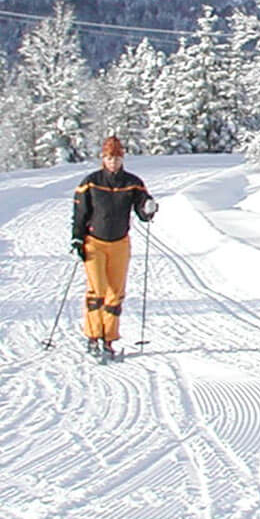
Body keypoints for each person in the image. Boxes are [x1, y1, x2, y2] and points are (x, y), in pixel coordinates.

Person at [71, 135, 157, 359]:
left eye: (117, 158)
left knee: (115, 293)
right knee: (96, 290)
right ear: (103, 158)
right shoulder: (91, 182)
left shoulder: (132, 182)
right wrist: (77, 239)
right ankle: (92, 336)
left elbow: (142, 210)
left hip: (120, 242)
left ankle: (109, 340)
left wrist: (148, 208)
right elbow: (80, 213)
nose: (113, 162)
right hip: (95, 242)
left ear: (123, 159)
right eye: (110, 158)